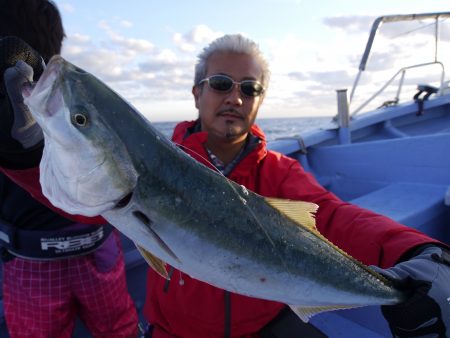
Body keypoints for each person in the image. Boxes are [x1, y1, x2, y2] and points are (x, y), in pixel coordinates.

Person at [141, 34, 450, 338]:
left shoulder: (279, 171)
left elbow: (331, 215)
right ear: (197, 93)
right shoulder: (152, 165)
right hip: (176, 331)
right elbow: (97, 206)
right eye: (221, 83)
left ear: (260, 101)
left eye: (250, 89)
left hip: (262, 325)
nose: (235, 98)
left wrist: (415, 248)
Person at [0, 0, 138, 337]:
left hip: (31, 259)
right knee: (119, 329)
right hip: (99, 249)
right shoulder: (86, 99)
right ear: (58, 41)